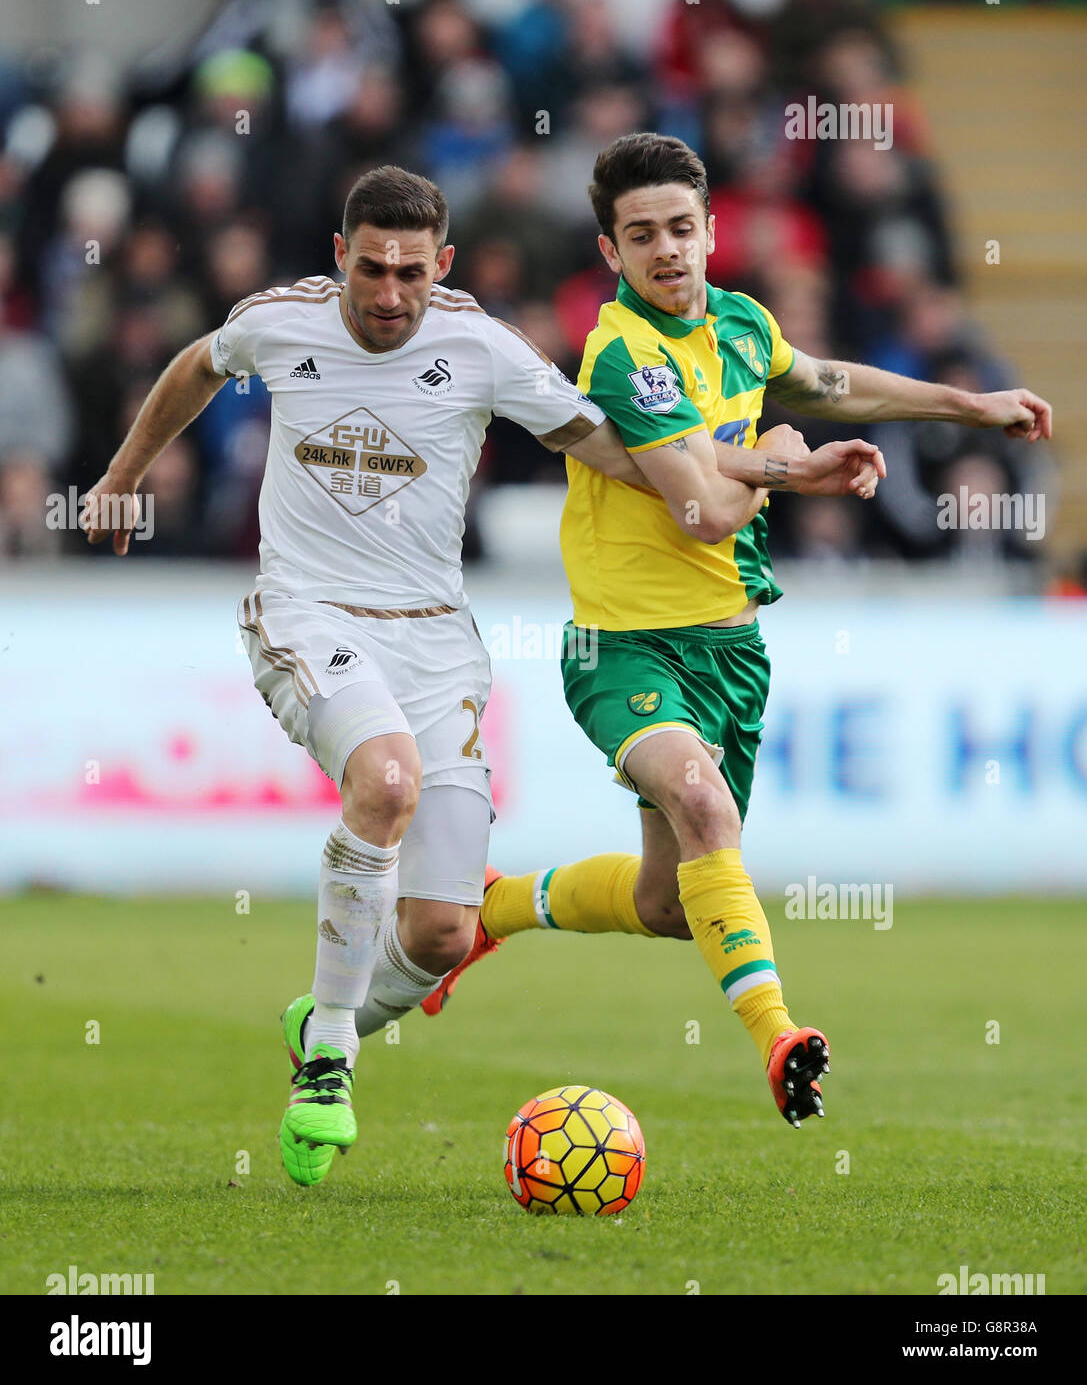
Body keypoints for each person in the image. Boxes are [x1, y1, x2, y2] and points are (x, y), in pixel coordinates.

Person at [429, 133, 1052, 1130]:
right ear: (611, 252)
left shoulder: (741, 324)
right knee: (701, 803)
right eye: (642, 236)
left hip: (730, 652)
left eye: (681, 228)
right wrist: (779, 458)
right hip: (624, 648)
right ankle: (778, 1037)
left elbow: (830, 383)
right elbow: (703, 511)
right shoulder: (622, 350)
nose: (666, 250)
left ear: (713, 231)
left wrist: (966, 404)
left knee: (666, 905)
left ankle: (490, 909)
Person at [79, 165, 668, 1187]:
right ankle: (329, 1061)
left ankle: (328, 1014)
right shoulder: (280, 323)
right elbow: (194, 366)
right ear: (339, 259)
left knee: (443, 932)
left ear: (441, 266)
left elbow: (604, 447)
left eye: (409, 272)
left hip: (438, 639)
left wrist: (743, 477)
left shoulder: (481, 346)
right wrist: (123, 478)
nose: (389, 293)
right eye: (370, 269)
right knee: (385, 782)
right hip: (306, 611)